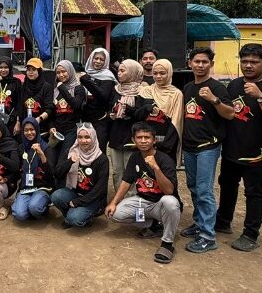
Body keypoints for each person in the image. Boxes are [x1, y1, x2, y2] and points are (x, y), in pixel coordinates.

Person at [216, 44, 262, 252]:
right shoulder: (234, 85)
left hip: (257, 153)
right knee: (227, 185)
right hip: (232, 148)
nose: (248, 65)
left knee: (253, 192)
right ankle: (223, 221)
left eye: (254, 62)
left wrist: (260, 97)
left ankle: (250, 233)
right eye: (245, 61)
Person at [180, 47, 234, 254]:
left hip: (208, 147)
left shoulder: (217, 88)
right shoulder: (187, 88)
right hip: (190, 146)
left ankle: (208, 236)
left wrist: (214, 99)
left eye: (204, 62)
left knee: (204, 190)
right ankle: (199, 223)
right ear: (190, 63)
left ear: (211, 64)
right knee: (194, 187)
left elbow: (230, 114)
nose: (200, 65)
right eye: (197, 61)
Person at [105, 122, 181, 264]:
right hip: (143, 201)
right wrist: (113, 202)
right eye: (139, 137)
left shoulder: (165, 159)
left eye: (147, 137)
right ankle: (152, 224)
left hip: (161, 204)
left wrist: (156, 168)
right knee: (115, 214)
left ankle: (167, 243)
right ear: (133, 140)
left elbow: (169, 190)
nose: (143, 141)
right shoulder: (135, 157)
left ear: (154, 140)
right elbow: (126, 181)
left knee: (171, 202)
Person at [51, 123, 109, 228]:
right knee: (56, 196)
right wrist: (70, 161)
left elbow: (100, 189)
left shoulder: (102, 159)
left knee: (75, 218)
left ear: (93, 137)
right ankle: (69, 216)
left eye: (87, 137)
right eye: (80, 137)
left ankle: (85, 217)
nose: (83, 140)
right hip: (75, 193)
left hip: (93, 199)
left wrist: (78, 202)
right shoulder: (72, 151)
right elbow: (57, 174)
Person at [108, 59, 146, 192]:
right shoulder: (116, 89)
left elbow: (142, 114)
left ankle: (132, 199)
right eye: (118, 70)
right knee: (117, 171)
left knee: (131, 171)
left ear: (132, 72)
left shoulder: (142, 91)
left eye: (123, 71)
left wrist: (127, 109)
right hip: (116, 135)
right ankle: (119, 199)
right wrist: (112, 112)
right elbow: (109, 107)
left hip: (132, 137)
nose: (119, 73)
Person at [138, 59, 184, 165]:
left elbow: (176, 121)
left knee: (165, 171)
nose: (158, 76)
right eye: (155, 73)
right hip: (146, 141)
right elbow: (138, 116)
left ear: (169, 73)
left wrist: (166, 145)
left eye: (162, 73)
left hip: (167, 140)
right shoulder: (146, 91)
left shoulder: (176, 94)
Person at [12, 117, 55, 221]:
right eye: (26, 130)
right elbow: (17, 169)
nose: (29, 133)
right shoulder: (21, 148)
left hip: (42, 187)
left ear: (37, 129)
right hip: (26, 187)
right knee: (19, 215)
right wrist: (6, 179)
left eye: (32, 129)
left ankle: (41, 208)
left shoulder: (46, 147)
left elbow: (51, 174)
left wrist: (41, 154)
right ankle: (29, 208)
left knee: (35, 208)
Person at [51, 60, 86, 184]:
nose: (61, 75)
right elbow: (52, 111)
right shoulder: (55, 90)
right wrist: (51, 127)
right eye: (58, 72)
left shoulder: (79, 89)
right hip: (57, 131)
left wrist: (62, 87)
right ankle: (54, 188)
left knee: (63, 160)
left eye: (64, 71)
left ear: (70, 71)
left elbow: (75, 105)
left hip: (71, 130)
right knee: (53, 160)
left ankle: (61, 190)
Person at [80, 48, 117, 151]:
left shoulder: (108, 77)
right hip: (85, 121)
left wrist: (87, 81)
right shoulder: (86, 74)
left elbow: (103, 96)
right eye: (96, 58)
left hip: (100, 120)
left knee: (99, 151)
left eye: (102, 59)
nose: (98, 61)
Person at [15, 57, 54, 135]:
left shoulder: (46, 87)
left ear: (39, 71)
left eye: (34, 69)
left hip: (41, 126)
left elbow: (49, 108)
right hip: (25, 126)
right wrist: (18, 122)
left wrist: (39, 119)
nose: (30, 72)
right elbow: (20, 105)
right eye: (28, 69)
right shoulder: (24, 86)